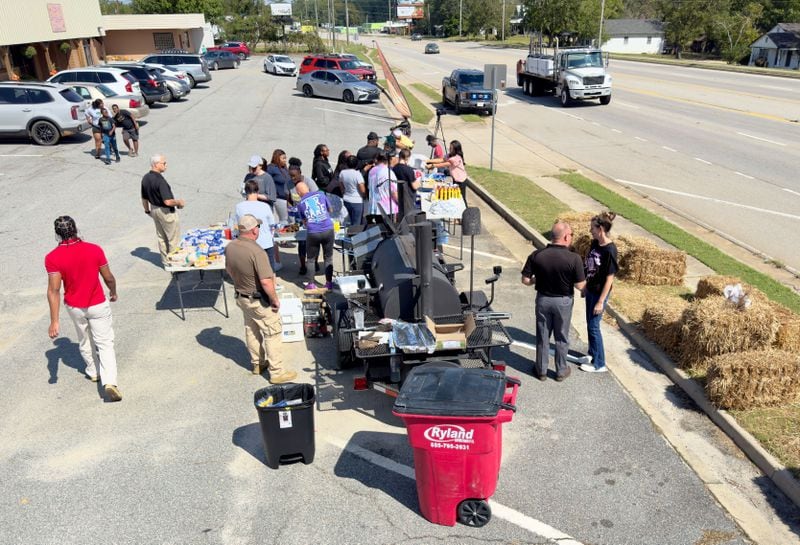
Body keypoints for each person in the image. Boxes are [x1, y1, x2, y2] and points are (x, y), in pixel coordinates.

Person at [45, 216, 122, 402]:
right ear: (76, 229)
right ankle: (110, 382)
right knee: (104, 342)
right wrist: (113, 291)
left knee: (84, 338)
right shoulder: (94, 249)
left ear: (57, 234)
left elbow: (53, 290)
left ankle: (93, 371)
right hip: (97, 304)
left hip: (75, 307)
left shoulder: (52, 258)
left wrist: (54, 321)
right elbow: (108, 277)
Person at [225, 214, 296, 383]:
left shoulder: (231, 247)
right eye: (257, 226)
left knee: (252, 329)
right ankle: (277, 372)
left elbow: (228, 269)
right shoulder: (257, 251)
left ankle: (257, 363)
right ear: (253, 230)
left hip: (242, 297)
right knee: (272, 332)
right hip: (257, 299)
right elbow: (265, 281)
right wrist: (274, 300)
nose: (258, 229)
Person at [521, 222, 586, 382]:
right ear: (565, 237)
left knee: (543, 335)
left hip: (543, 300)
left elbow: (525, 280)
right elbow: (580, 285)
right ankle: (561, 371)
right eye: (571, 235)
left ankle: (541, 370)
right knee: (561, 337)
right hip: (563, 302)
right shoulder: (574, 258)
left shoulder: (537, 255)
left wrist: (538, 279)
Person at [580, 212, 619, 374]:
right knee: (590, 323)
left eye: (592, 228)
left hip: (599, 294)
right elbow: (589, 266)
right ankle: (592, 354)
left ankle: (600, 363)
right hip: (591, 290)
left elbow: (609, 279)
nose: (590, 231)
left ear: (601, 228)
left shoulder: (610, 250)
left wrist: (600, 301)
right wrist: (585, 287)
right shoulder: (595, 243)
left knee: (594, 326)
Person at [141, 154, 185, 264]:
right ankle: (175, 264)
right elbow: (167, 201)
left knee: (161, 237)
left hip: (154, 209)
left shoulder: (146, 178)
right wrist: (179, 202)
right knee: (172, 238)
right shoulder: (160, 181)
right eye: (164, 163)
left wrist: (147, 210)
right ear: (156, 165)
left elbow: (144, 198)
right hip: (165, 212)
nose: (166, 165)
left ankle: (166, 262)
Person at [295, 181, 334, 290]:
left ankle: (311, 284)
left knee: (311, 259)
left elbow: (305, 222)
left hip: (313, 232)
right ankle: (329, 283)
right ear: (308, 188)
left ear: (298, 193)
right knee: (328, 258)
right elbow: (330, 210)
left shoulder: (300, 203)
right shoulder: (321, 194)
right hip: (327, 229)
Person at [236, 180, 278, 272]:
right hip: (266, 243)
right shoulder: (265, 206)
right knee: (270, 271)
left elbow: (239, 226)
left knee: (251, 271)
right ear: (258, 191)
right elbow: (272, 225)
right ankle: (273, 285)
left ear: (245, 192)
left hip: (248, 244)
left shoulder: (239, 207)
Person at [287, 158, 319, 276]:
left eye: (294, 176)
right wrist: (290, 209)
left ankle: (315, 262)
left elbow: (317, 197)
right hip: (298, 217)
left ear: (300, 173)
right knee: (302, 242)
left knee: (314, 240)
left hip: (311, 216)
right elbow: (289, 199)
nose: (292, 178)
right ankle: (303, 265)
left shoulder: (309, 182)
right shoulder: (289, 184)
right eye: (290, 176)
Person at [427, 140, 468, 205]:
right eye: (449, 147)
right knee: (455, 197)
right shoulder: (449, 155)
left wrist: (432, 165)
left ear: (455, 150)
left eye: (451, 148)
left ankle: (466, 212)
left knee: (461, 198)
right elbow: (442, 160)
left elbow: (445, 164)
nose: (449, 149)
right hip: (455, 180)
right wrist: (429, 161)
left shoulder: (456, 158)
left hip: (461, 181)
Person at [366, 151, 398, 221]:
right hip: (387, 208)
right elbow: (393, 192)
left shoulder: (372, 171)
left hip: (375, 207)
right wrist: (400, 203)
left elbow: (369, 187)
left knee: (379, 230)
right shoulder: (388, 172)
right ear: (389, 160)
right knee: (389, 230)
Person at [393, 148, 421, 218]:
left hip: (398, 195)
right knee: (409, 216)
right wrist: (419, 183)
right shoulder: (409, 170)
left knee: (400, 215)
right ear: (407, 158)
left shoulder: (394, 168)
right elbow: (414, 186)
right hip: (408, 196)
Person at [340, 154, 366, 225]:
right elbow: (362, 188)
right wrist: (364, 196)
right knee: (356, 223)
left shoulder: (342, 173)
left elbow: (341, 186)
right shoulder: (357, 174)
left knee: (348, 222)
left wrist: (344, 193)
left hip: (346, 199)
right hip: (357, 201)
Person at [267, 149, 291, 223]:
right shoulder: (271, 168)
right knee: (284, 220)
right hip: (280, 199)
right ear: (277, 158)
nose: (285, 160)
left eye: (285, 158)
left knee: (291, 219)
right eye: (283, 158)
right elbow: (267, 182)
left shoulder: (284, 168)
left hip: (289, 199)